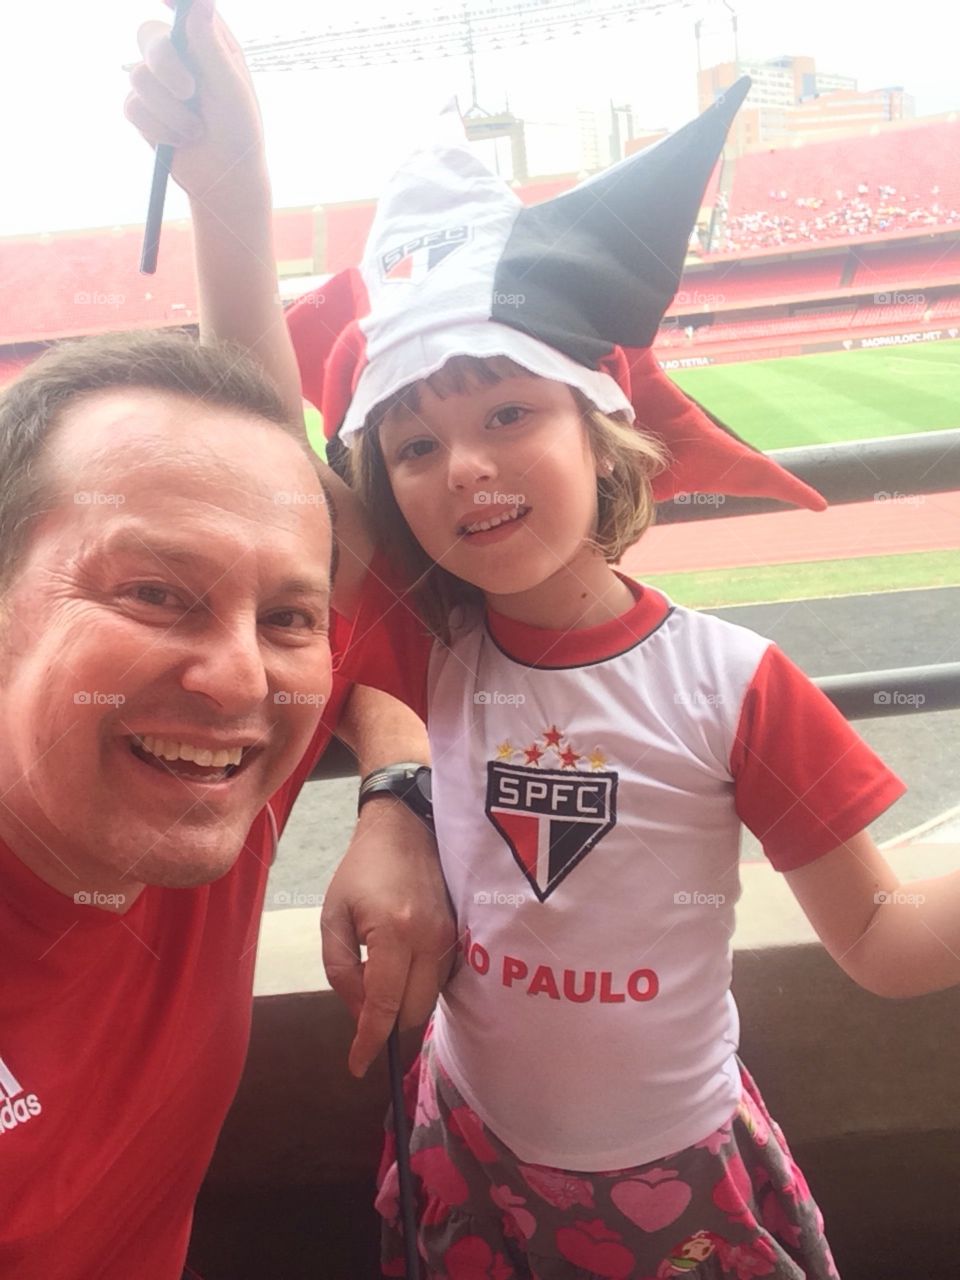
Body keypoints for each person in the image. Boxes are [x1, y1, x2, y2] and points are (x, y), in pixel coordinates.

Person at [128, 6, 960, 1277]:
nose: (464, 466)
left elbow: (886, 937)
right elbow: (258, 428)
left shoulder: (735, 685)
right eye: (413, 443)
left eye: (510, 410)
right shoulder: (432, 640)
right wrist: (230, 188)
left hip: (676, 1184)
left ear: (602, 428)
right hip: (466, 1149)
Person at [0, 331, 450, 1279]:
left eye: (287, 618)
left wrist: (399, 801)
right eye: (155, 593)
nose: (239, 679)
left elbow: (362, 637)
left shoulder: (200, 772)